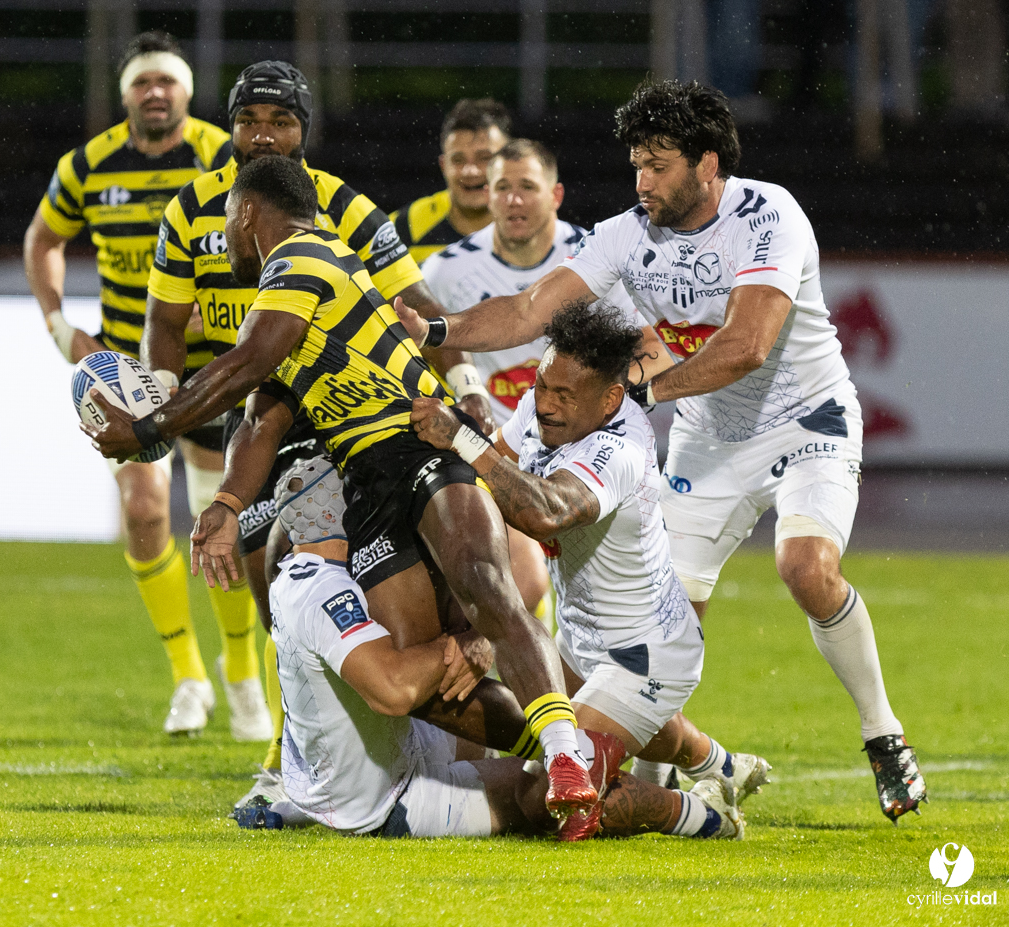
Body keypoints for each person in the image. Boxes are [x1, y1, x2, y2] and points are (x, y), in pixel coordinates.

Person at [395, 79, 925, 823]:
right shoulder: (626, 232)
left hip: (807, 420)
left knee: (805, 567)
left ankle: (882, 733)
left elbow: (747, 345)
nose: (642, 181)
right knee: (654, 628)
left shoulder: (768, 216)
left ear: (708, 164)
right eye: (636, 165)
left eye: (659, 165)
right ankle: (686, 776)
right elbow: (527, 309)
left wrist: (645, 392)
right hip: (709, 435)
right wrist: (440, 332)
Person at [89, 155, 601, 821]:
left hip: (420, 440)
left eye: (226, 221)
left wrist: (150, 428)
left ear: (248, 214)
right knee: (431, 684)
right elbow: (260, 416)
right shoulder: (291, 295)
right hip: (365, 482)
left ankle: (569, 752)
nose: (224, 237)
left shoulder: (307, 255)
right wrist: (225, 502)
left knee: (484, 583)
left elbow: (245, 364)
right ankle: (585, 750)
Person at [142, 61, 493, 781]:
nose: (264, 134)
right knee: (251, 555)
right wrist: (162, 398)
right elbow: (166, 325)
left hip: (336, 416)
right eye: (249, 121)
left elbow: (417, 302)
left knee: (292, 557)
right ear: (230, 128)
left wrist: (465, 382)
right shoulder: (189, 210)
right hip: (247, 405)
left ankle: (490, 703)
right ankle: (298, 719)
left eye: (281, 121)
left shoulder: (341, 205)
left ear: (306, 132)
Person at [233, 457, 745, 842]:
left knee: (558, 709)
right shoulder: (323, 590)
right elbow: (393, 691)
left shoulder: (316, 575)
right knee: (543, 797)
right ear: (334, 508)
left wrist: (472, 636)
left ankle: (702, 760)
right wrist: (464, 642)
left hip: (363, 768)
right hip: (389, 800)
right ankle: (699, 817)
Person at [411, 300, 770, 806]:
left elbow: (546, 512)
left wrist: (462, 439)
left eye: (564, 395)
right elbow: (488, 479)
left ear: (611, 400)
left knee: (545, 794)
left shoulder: (619, 448)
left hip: (647, 651)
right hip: (578, 637)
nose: (546, 405)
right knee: (575, 728)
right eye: (542, 387)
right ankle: (722, 766)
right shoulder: (541, 413)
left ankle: (702, 814)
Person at [23, 32, 271, 740]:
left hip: (217, 365)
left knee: (222, 518)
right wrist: (56, 324)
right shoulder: (88, 165)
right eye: (141, 82)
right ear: (126, 93)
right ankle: (188, 675)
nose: (154, 92)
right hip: (132, 370)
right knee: (141, 513)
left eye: (166, 80)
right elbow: (42, 238)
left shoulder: (220, 155)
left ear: (186, 92)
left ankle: (240, 671)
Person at [421, 138, 669, 624]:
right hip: (500, 444)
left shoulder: (596, 259)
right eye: (503, 188)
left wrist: (604, 403)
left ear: (555, 195)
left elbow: (652, 346)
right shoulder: (445, 271)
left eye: (527, 187)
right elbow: (427, 358)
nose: (514, 200)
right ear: (487, 198)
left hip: (585, 449)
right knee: (524, 579)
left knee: (609, 596)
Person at [390, 99, 512, 264]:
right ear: (443, 165)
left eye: (484, 158)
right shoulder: (403, 228)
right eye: (458, 160)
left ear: (509, 162)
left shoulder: (537, 227)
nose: (470, 171)